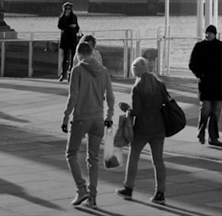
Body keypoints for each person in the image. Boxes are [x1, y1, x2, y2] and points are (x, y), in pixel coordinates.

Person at [62, 40, 114, 208]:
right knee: (93, 159)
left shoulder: (77, 70)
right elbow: (111, 97)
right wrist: (109, 115)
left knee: (71, 154)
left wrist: (65, 116)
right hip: (98, 119)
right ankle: (92, 197)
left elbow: (73, 96)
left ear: (79, 54)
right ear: (91, 53)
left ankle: (81, 188)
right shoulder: (104, 71)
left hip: (81, 118)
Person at [116, 56, 167, 205]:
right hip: (159, 127)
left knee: (134, 157)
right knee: (158, 160)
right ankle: (160, 192)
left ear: (136, 72)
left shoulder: (138, 88)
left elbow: (137, 111)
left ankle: (128, 187)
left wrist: (127, 108)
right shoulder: (159, 84)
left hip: (143, 128)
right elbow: (165, 102)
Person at [188, 24, 222, 147]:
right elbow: (192, 64)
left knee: (216, 111)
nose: (208, 35)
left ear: (215, 34)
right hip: (205, 83)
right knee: (206, 109)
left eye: (210, 33)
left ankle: (213, 137)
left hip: (218, 83)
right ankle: (201, 131)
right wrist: (200, 75)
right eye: (207, 33)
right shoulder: (199, 47)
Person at [58, 2, 81, 82]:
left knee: (72, 58)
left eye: (69, 9)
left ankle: (70, 74)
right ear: (64, 9)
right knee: (65, 58)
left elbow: (77, 27)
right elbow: (60, 26)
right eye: (67, 8)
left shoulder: (73, 17)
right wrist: (69, 26)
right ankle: (63, 74)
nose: (68, 10)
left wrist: (74, 27)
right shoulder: (62, 17)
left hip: (72, 39)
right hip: (65, 39)